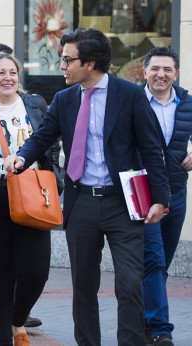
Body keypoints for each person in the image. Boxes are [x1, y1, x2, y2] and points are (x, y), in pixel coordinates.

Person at [7, 28, 170, 346]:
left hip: (123, 204)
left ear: (90, 63)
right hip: (81, 203)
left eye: (67, 59)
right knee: (83, 286)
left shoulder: (130, 95)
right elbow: (43, 136)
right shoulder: (65, 98)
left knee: (129, 284)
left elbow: (152, 149)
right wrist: (22, 158)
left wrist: (160, 199)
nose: (62, 66)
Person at [0, 52, 61, 346]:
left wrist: (54, 176)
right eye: (0, 73)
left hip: (32, 193)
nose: (8, 78)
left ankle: (17, 318)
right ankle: (3, 341)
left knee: (36, 272)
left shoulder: (34, 104)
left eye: (13, 72)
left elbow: (50, 142)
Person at [142, 46, 192, 346]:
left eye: (167, 69)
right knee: (154, 261)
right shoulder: (131, 100)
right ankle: (161, 329)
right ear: (145, 71)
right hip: (143, 195)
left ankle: (145, 317)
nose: (161, 74)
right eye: (155, 68)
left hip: (176, 193)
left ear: (176, 73)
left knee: (162, 264)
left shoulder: (187, 103)